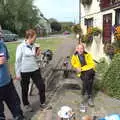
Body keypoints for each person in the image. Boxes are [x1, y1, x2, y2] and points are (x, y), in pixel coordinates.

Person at [15, 29, 47, 112]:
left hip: (35, 69)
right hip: (24, 71)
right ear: (29, 37)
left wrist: (37, 55)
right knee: (24, 88)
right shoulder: (21, 46)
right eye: (34, 37)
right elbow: (17, 61)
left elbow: (36, 58)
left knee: (41, 85)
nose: (36, 39)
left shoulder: (35, 45)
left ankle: (43, 103)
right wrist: (17, 74)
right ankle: (26, 104)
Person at [0, 30, 24, 120]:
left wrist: (9, 75)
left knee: (16, 105)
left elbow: (7, 61)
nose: (0, 34)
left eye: (0, 31)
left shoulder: (2, 45)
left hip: (8, 83)